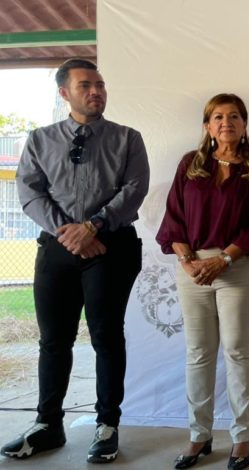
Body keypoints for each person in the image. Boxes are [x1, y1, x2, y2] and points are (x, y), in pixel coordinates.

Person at [0, 58, 149, 463]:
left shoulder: (127, 138)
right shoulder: (40, 139)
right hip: (57, 249)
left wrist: (93, 227)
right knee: (53, 340)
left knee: (106, 336)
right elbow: (30, 191)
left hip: (110, 248)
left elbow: (135, 189)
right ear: (64, 93)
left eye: (100, 84)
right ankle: (48, 424)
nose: (96, 91)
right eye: (86, 85)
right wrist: (70, 234)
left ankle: (107, 425)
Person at [156, 93, 249, 470]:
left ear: (245, 124)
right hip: (192, 267)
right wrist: (188, 261)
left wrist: (223, 259)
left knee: (238, 352)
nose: (227, 122)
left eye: (235, 116)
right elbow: (174, 218)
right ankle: (199, 435)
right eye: (219, 117)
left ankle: (242, 437)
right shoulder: (190, 165)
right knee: (198, 353)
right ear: (207, 126)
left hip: (238, 268)